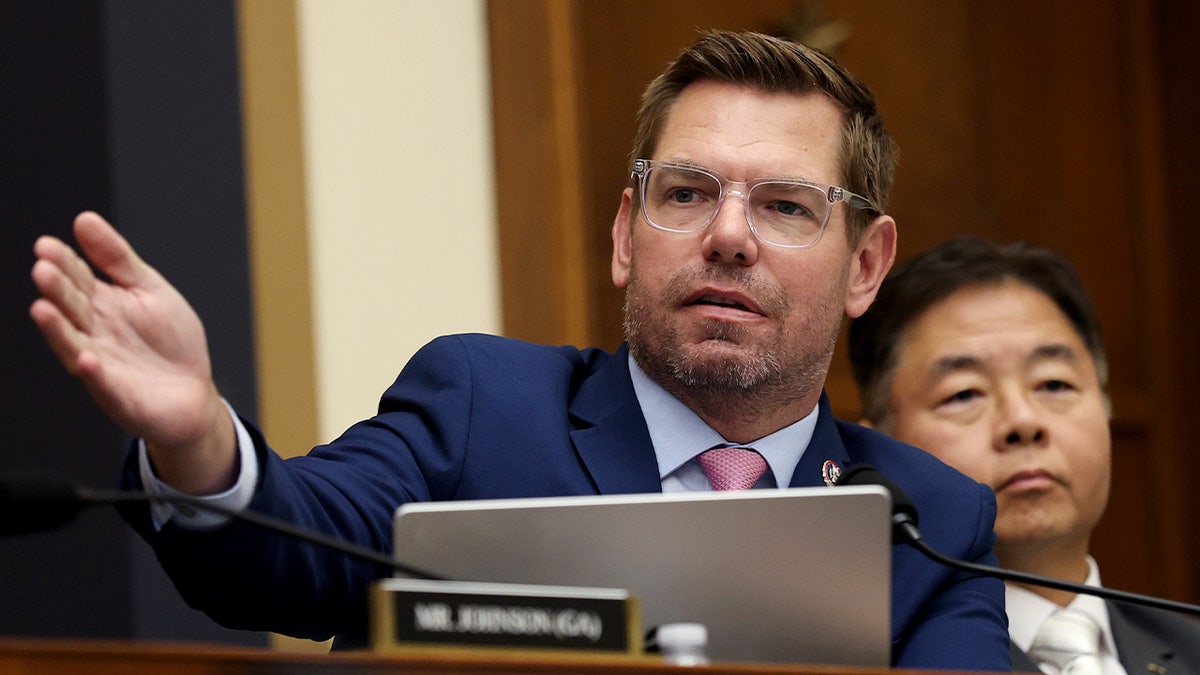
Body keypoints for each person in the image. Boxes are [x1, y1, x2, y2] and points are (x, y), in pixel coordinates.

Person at [29, 31, 1009, 668]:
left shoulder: (933, 522)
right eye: (686, 192)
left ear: (866, 265)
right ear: (627, 235)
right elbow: (284, 554)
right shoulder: (482, 409)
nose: (728, 236)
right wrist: (200, 441)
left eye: (787, 206)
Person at [849, 236, 1200, 673]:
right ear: (882, 451)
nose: (1022, 421)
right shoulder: (856, 661)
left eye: (1054, 384)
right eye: (964, 394)